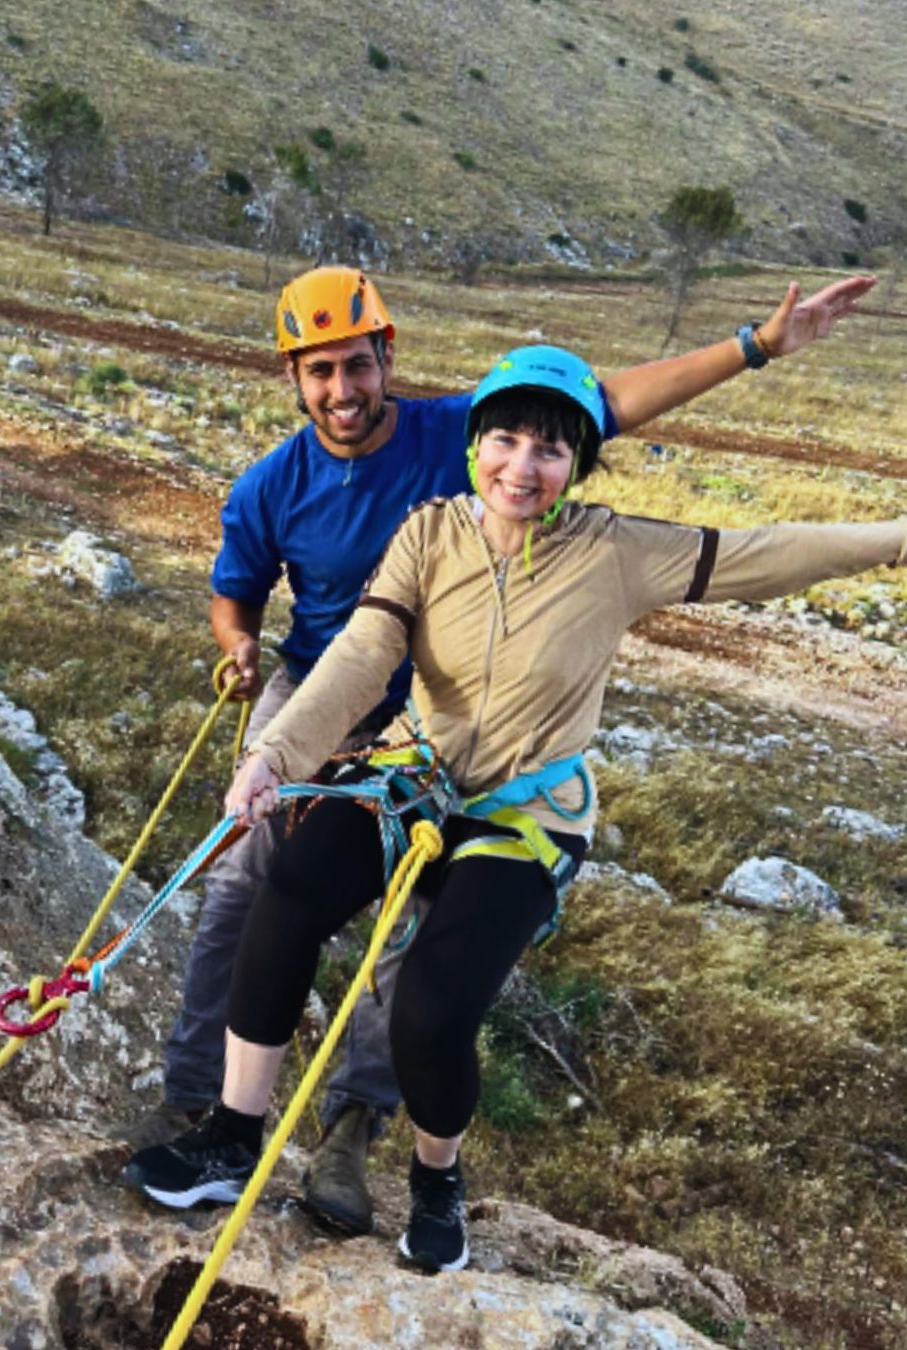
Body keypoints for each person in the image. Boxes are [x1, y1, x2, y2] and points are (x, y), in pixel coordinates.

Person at [124, 264, 878, 1236]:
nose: (524, 465)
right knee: (279, 897)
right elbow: (362, 652)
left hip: (523, 805)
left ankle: (421, 1166)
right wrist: (274, 755)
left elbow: (767, 548)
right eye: (506, 441)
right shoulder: (424, 529)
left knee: (429, 1005)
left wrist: (890, 532)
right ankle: (229, 1133)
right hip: (411, 763)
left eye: (551, 450)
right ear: (474, 444)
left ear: (579, 462)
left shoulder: (612, 549)